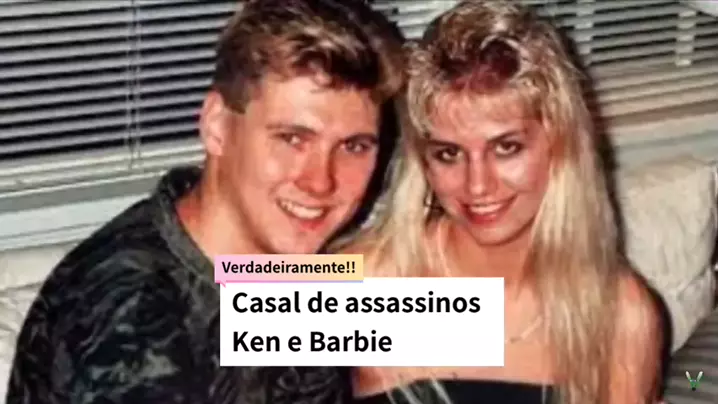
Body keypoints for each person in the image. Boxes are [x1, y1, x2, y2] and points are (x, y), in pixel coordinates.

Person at [5, 1, 404, 403]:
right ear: (217, 126)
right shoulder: (137, 333)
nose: (320, 182)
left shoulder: (247, 257)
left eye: (354, 146)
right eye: (292, 138)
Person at [340, 1, 665, 403]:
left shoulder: (619, 316)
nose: (478, 186)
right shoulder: (369, 280)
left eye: (506, 147)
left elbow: (694, 378)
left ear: (560, 144)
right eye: (449, 153)